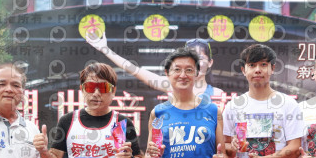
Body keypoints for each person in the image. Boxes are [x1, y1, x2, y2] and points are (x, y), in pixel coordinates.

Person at [86, 30, 222, 100]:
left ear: (210, 63)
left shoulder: (218, 95)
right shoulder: (172, 85)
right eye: (192, 59)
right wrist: (105, 49)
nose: (196, 63)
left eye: (201, 58)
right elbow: (134, 70)